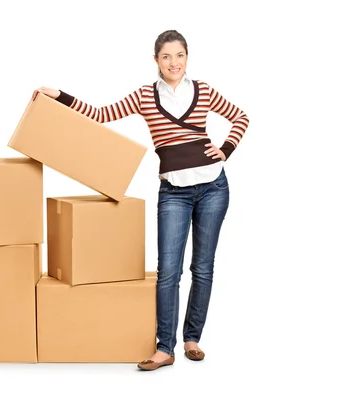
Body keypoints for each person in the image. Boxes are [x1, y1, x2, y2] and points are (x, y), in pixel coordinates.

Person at [35, 29, 249, 371]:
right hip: (174, 194)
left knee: (203, 268)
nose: (173, 62)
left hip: (213, 188)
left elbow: (241, 116)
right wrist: (60, 95)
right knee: (168, 273)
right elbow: (101, 114)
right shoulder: (144, 97)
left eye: (179, 55)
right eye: (166, 57)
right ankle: (166, 348)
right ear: (156, 61)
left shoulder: (204, 91)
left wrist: (225, 149)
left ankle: (192, 338)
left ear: (187, 58)